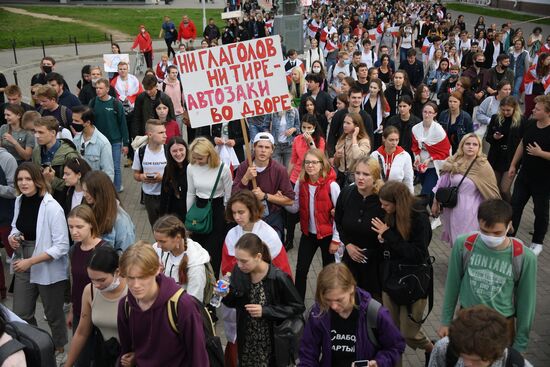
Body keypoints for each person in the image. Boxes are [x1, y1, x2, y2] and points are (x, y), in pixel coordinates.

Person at [438, 199, 537, 353]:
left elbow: (526, 302)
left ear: (509, 225)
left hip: (501, 327)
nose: (490, 236)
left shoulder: (524, 256)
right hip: (467, 321)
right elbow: (452, 285)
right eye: (484, 231)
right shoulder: (464, 244)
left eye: (497, 232)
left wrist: (520, 344)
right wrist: (446, 321)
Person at [221, 190, 293, 367]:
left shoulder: (269, 235)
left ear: (252, 210)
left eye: (241, 212)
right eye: (234, 212)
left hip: (263, 303)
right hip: (240, 301)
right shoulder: (232, 235)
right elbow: (227, 268)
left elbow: (282, 271)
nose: (237, 217)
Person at [8, 162, 69, 365]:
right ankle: (37, 343)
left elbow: (61, 246)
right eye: (20, 179)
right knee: (21, 313)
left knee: (53, 314)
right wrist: (13, 237)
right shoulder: (19, 201)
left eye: (28, 179)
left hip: (45, 262)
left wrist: (31, 261)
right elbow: (15, 226)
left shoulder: (52, 207)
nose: (24, 183)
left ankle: (60, 349)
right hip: (23, 257)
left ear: (38, 180)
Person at [372, 181, 434, 366]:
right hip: (392, 278)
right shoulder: (391, 214)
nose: (382, 208)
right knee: (392, 333)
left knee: (409, 333)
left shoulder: (419, 218)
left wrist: (389, 235)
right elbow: (393, 245)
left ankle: (433, 349)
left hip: (413, 282)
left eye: (386, 204)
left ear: (398, 202)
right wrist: (383, 239)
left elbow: (417, 254)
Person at [117, 242, 209, 366]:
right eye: (130, 278)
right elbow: (126, 350)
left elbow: (199, 357)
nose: (135, 285)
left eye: (142, 277)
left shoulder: (182, 305)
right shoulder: (126, 305)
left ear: (157, 270)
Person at [299, 262, 405, 367]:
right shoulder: (319, 313)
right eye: (328, 300)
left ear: (351, 288)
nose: (333, 306)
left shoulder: (375, 313)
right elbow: (308, 354)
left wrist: (379, 362)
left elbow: (396, 346)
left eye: (339, 300)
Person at [222, 233, 304, 367]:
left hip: (271, 344)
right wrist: (226, 294)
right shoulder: (239, 271)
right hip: (247, 340)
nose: (239, 264)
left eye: (244, 261)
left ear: (258, 257)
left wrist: (265, 311)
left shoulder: (278, 277)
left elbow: (298, 307)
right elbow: (234, 303)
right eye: (237, 259)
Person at [286, 149, 339, 300]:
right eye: (307, 162)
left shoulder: (332, 186)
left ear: (322, 165)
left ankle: (328, 304)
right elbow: (294, 207)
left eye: (314, 162)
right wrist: (282, 201)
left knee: (328, 274)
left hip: (328, 236)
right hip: (308, 235)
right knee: (301, 270)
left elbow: (339, 216)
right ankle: (298, 306)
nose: (310, 166)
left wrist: (336, 239)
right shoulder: (300, 183)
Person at [432, 133, 501, 246]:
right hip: (452, 207)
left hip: (471, 210)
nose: (471, 146)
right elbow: (441, 183)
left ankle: (466, 262)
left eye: (475, 144)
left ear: (479, 148)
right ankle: (457, 262)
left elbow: (490, 191)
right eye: (467, 144)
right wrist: (435, 202)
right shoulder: (453, 160)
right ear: (462, 146)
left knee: (467, 241)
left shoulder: (482, 165)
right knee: (455, 239)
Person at [64, 246, 127, 367]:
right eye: (92, 279)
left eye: (101, 280)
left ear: (117, 272)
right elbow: (82, 332)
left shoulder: (132, 291)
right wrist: (68, 364)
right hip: (104, 355)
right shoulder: (90, 291)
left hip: (128, 357)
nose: (97, 285)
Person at [335, 157, 385, 298]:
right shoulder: (346, 193)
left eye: (366, 174)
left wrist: (382, 239)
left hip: (375, 266)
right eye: (357, 173)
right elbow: (338, 221)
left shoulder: (383, 199)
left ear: (375, 176)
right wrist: (348, 245)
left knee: (372, 307)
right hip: (350, 260)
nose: (360, 178)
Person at [66, 205, 108, 366]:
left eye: (79, 227)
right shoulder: (74, 249)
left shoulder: (103, 250)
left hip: (100, 313)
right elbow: (75, 282)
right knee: (81, 359)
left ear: (91, 224)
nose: (74, 231)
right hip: (80, 312)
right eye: (71, 227)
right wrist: (71, 310)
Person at [232, 133, 295, 241]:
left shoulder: (279, 170)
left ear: (272, 150)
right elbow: (233, 196)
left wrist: (265, 196)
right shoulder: (244, 166)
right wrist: (245, 178)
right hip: (248, 217)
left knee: (272, 251)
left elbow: (290, 200)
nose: (263, 150)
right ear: (254, 147)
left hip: (272, 218)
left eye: (267, 147)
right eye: (260, 146)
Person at [509, 94, 550, 257]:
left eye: (538, 109)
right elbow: (522, 144)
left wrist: (541, 153)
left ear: (548, 113)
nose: (533, 110)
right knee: (515, 206)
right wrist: (513, 164)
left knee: (540, 211)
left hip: (543, 180)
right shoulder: (531, 124)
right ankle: (510, 237)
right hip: (524, 176)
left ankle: (537, 242)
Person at [187, 137, 233, 278]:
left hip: (217, 211)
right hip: (198, 211)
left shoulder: (223, 168)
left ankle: (212, 288)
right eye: (194, 157)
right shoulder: (191, 167)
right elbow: (190, 193)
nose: (197, 161)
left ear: (210, 155)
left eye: (200, 158)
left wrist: (226, 217)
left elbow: (228, 196)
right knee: (197, 254)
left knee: (213, 254)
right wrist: (188, 218)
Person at [430, 305, 533, 367]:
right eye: (463, 356)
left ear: (495, 355)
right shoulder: (444, 348)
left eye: (476, 360)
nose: (467, 364)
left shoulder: (516, 364)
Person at [152, 215, 211, 303]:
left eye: (162, 241)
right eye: (157, 240)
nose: (158, 245)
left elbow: (193, 303)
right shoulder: (157, 249)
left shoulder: (196, 267)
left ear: (178, 238)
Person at [90, 78, 129, 192]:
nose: (98, 90)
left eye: (101, 88)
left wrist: (125, 143)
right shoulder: (93, 103)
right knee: (100, 166)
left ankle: (117, 188)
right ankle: (103, 188)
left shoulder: (116, 104)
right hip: (98, 141)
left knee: (115, 166)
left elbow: (123, 124)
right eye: (96, 88)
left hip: (114, 141)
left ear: (107, 89)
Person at [82, 171, 135, 252]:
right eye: (84, 190)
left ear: (100, 191)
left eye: (88, 191)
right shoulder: (88, 209)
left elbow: (127, 252)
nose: (84, 195)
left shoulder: (120, 220)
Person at [411, 102, 452, 209]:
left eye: (430, 112)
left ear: (435, 114)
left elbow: (445, 151)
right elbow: (415, 146)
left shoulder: (439, 131)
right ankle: (435, 212)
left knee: (426, 193)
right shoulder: (416, 128)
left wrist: (430, 159)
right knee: (429, 191)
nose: (427, 115)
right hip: (421, 166)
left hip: (435, 166)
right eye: (425, 112)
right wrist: (417, 157)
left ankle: (428, 214)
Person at [31, 116, 79, 204]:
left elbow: (77, 184)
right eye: (35, 132)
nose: (36, 135)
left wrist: (52, 180)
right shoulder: (36, 151)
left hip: (63, 202)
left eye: (41, 132)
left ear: (53, 132)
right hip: (41, 201)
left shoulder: (69, 155)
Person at [486, 96, 526, 202]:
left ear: (514, 108)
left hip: (511, 158)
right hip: (496, 156)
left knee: (504, 189)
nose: (505, 112)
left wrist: (520, 161)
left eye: (508, 110)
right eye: (503, 110)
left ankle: (510, 208)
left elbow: (523, 142)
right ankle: (499, 211)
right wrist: (494, 137)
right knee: (494, 188)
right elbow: (488, 137)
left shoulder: (521, 121)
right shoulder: (495, 118)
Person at [133, 119, 167, 227]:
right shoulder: (140, 152)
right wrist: (142, 177)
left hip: (166, 194)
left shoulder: (168, 150)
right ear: (150, 134)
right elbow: (136, 174)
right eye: (161, 133)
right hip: (149, 197)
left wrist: (162, 178)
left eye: (165, 132)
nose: (165, 135)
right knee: (155, 227)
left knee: (168, 227)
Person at [71, 105, 114, 181]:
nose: (73, 123)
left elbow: (108, 173)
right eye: (73, 120)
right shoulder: (76, 139)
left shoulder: (103, 143)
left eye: (77, 121)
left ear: (87, 123)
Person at [371, 126, 414, 193]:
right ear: (383, 139)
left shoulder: (405, 156)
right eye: (391, 140)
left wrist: (410, 197)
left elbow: (408, 180)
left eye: (397, 140)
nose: (394, 143)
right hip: (378, 192)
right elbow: (371, 176)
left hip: (397, 193)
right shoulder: (375, 155)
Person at [333, 113, 371, 188]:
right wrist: (336, 157)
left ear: (356, 126)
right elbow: (336, 164)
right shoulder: (342, 140)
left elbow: (357, 156)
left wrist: (354, 137)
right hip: (341, 177)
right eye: (344, 122)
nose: (344, 125)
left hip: (355, 177)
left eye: (348, 123)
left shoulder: (364, 141)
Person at [287, 114, 326, 185]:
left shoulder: (320, 140)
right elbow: (293, 160)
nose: (306, 130)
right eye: (304, 127)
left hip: (311, 176)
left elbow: (319, 158)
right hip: (296, 176)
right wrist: (287, 177)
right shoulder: (297, 139)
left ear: (314, 127)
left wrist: (311, 142)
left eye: (309, 128)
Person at [475, 80, 512, 145]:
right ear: (499, 90)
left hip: (504, 136)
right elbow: (479, 114)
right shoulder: (489, 100)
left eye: (509, 89)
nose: (508, 92)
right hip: (486, 133)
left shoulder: (512, 102)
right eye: (505, 89)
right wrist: (491, 121)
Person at [160, 136, 188, 221]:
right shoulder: (168, 169)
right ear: (169, 152)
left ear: (186, 149)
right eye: (174, 151)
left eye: (181, 150)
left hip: (190, 217)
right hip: (174, 217)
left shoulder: (192, 167)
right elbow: (164, 196)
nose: (178, 154)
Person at [362, 79, 390, 148]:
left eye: (374, 88)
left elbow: (386, 115)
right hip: (364, 130)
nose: (372, 89)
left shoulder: (383, 100)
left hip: (377, 131)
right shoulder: (363, 98)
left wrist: (382, 124)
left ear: (379, 89)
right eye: (371, 87)